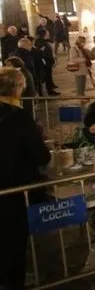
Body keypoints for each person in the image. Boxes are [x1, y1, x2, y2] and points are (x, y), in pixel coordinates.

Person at [0, 67, 50, 290]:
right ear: (18, 88)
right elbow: (40, 155)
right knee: (13, 243)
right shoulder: (18, 117)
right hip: (11, 190)